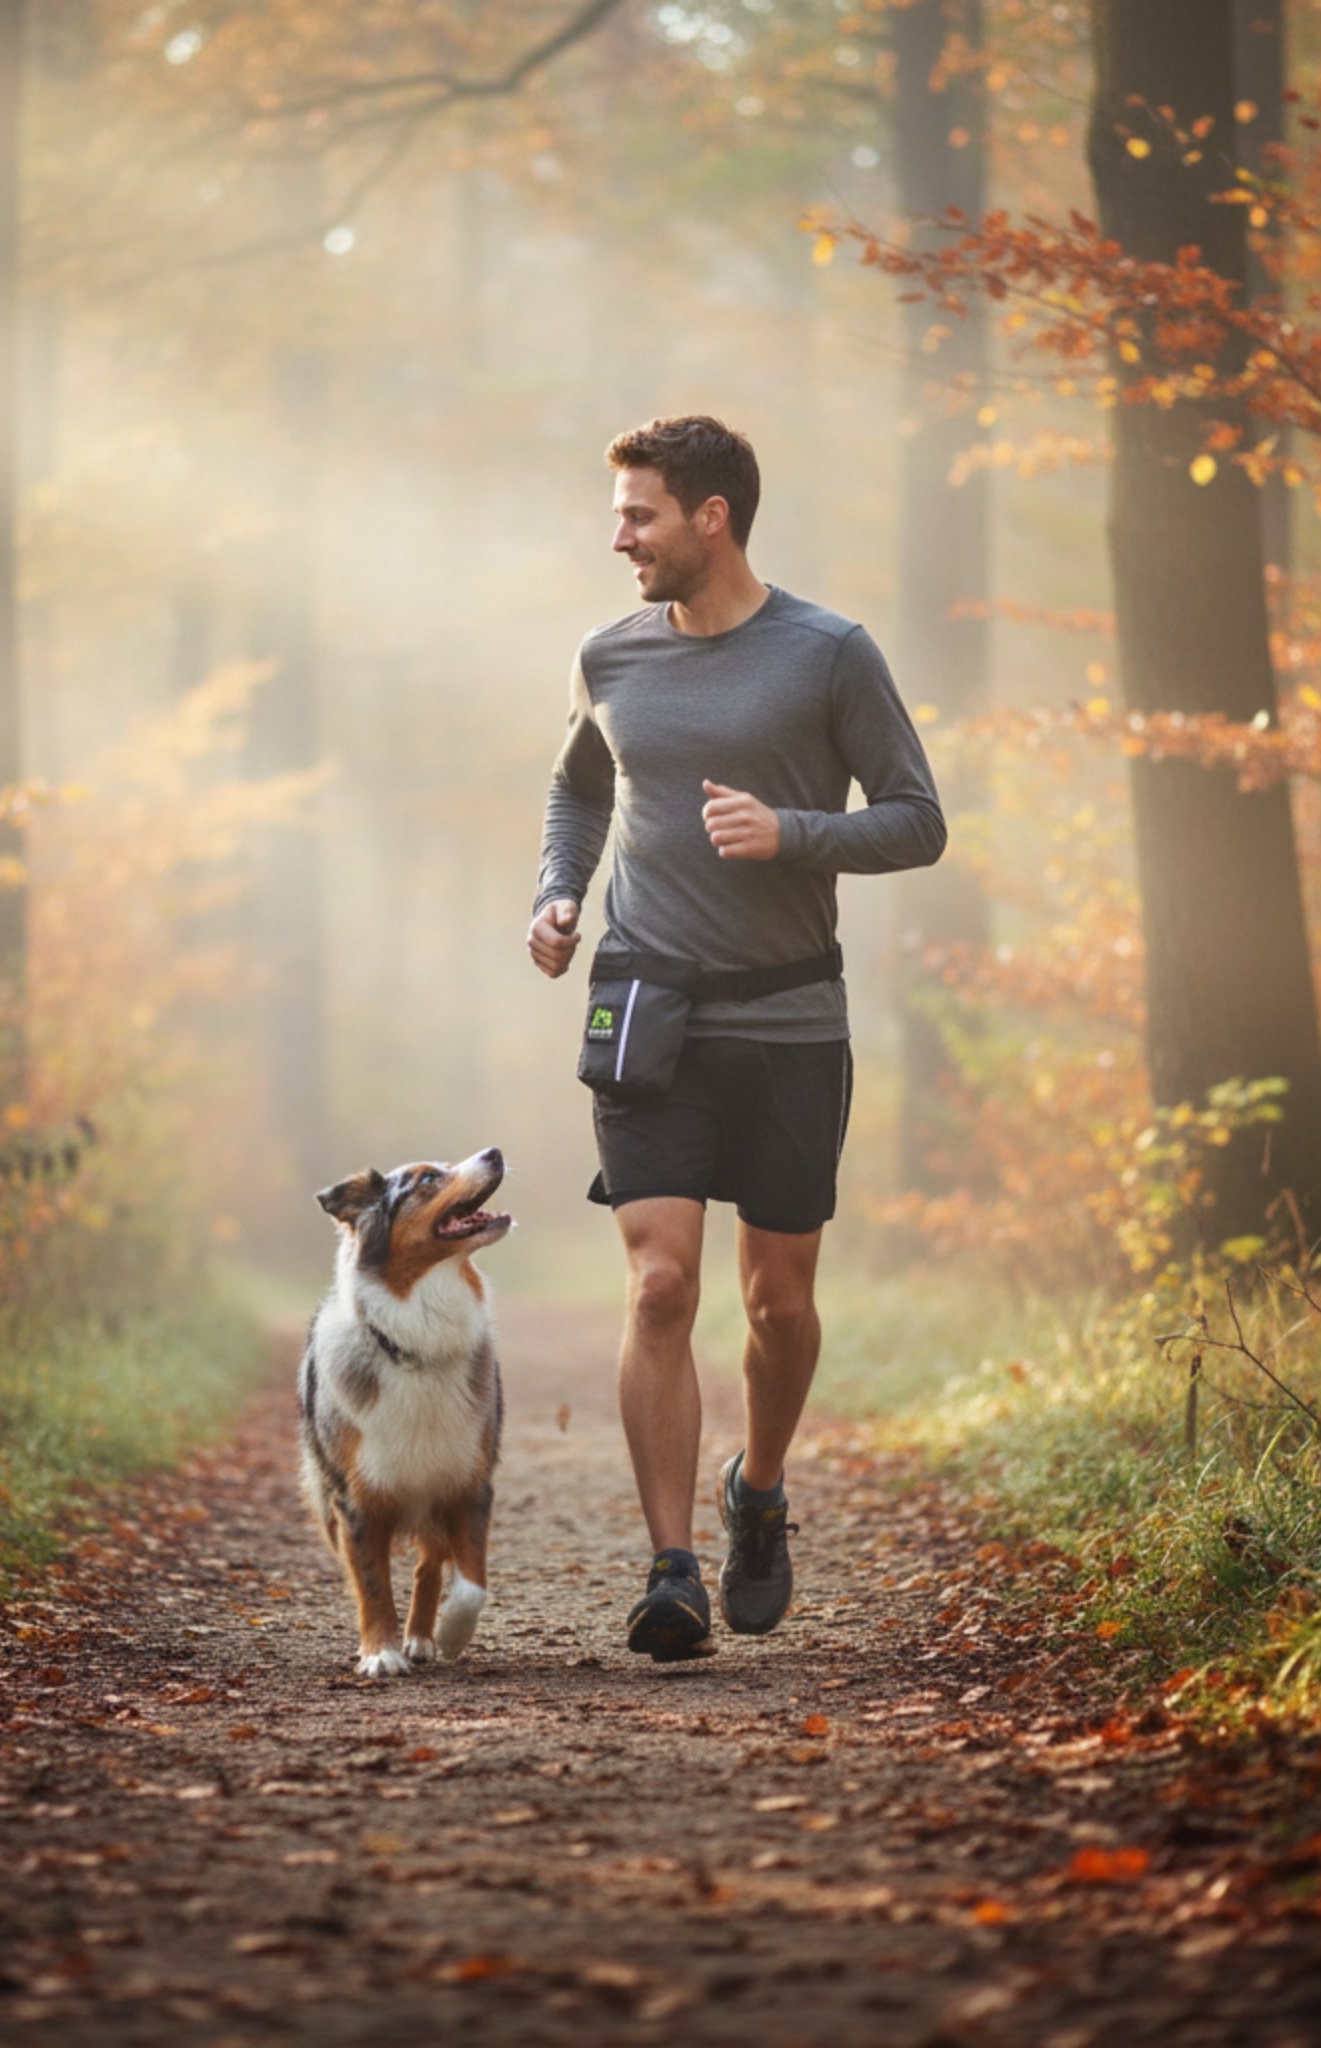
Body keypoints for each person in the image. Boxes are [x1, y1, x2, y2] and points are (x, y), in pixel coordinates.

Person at [527, 415, 946, 1661]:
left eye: (639, 514)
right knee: (659, 1282)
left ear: (711, 517)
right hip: (645, 1000)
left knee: (778, 1303)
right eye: (617, 513)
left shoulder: (827, 654)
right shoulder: (606, 656)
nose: (619, 538)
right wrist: (557, 889)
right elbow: (580, 785)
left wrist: (796, 831)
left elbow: (917, 820)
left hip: (788, 1018)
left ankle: (756, 1486)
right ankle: (671, 1569)